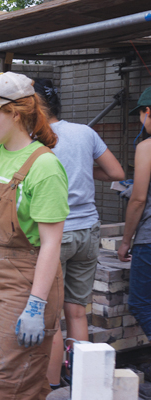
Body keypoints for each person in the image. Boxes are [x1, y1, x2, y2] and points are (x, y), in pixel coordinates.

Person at [0, 71, 68, 400]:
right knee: (18, 381)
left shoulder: (44, 166)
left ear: (15, 114)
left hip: (25, 288)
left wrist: (36, 306)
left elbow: (51, 243)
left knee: (0, 387)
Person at [33, 79, 125, 389]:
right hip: (88, 231)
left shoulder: (37, 139)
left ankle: (52, 387)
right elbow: (117, 173)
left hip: (54, 236)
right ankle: (82, 382)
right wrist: (85, 168)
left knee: (51, 319)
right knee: (76, 311)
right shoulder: (86, 133)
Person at [118, 87, 151, 340]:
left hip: (149, 240)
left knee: (140, 303)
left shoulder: (146, 148)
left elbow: (138, 199)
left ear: (147, 111)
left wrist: (126, 241)